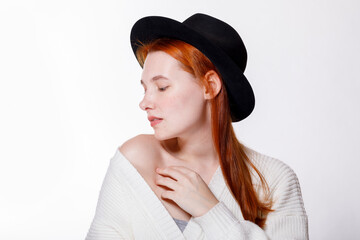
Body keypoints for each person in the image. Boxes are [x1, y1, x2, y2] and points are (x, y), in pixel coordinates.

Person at [85, 13, 308, 239]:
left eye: (162, 87)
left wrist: (209, 210)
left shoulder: (274, 181)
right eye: (145, 89)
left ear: (209, 86)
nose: (144, 103)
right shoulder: (134, 161)